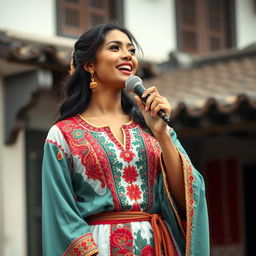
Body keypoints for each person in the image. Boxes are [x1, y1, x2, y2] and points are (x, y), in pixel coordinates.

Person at [42, 23, 209, 256]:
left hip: (160, 246)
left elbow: (187, 199)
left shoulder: (152, 127)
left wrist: (162, 134)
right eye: (115, 48)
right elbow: (60, 213)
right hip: (100, 248)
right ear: (89, 64)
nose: (127, 56)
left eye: (131, 50)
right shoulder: (63, 135)